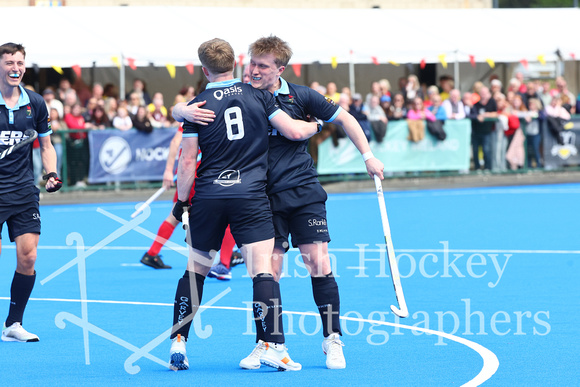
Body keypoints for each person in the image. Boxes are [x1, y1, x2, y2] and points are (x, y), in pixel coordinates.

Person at [174, 35, 385, 371]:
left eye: (262, 66)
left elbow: (344, 119)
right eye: (251, 63)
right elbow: (196, 110)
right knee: (268, 271)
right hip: (262, 198)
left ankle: (332, 339)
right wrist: (180, 109)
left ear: (279, 70)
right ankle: (270, 343)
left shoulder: (300, 95)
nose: (254, 71)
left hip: (302, 191)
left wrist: (368, 156)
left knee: (318, 262)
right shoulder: (245, 95)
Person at [168, 38, 320, 372]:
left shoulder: (197, 105)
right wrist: (317, 124)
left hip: (209, 194)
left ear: (203, 70)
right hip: (250, 195)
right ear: (236, 63)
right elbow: (294, 132)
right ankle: (272, 345)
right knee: (261, 270)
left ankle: (179, 341)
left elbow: (188, 161)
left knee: (195, 269)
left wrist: (181, 201)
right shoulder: (260, 96)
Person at [0, 42, 62, 342]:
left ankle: (13, 324)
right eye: (10, 62)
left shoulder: (35, 103)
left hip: (24, 190)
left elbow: (46, 146)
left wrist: (51, 173)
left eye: (20, 63)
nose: (15, 68)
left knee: (28, 257)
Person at [140, 126, 240, 276]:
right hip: (201, 174)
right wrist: (168, 171)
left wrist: (169, 170)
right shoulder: (205, 113)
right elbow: (176, 142)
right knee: (228, 216)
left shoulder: (193, 112)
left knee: (176, 215)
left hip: (185, 174)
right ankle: (225, 262)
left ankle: (152, 252)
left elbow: (176, 142)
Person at [469, 86, 498, 171]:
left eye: (485, 93)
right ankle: (477, 167)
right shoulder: (476, 105)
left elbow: (496, 113)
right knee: (475, 150)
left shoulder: (492, 102)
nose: (483, 95)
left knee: (486, 150)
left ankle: (487, 167)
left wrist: (487, 115)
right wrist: (478, 117)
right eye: (482, 93)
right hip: (476, 131)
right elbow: (472, 115)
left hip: (487, 131)